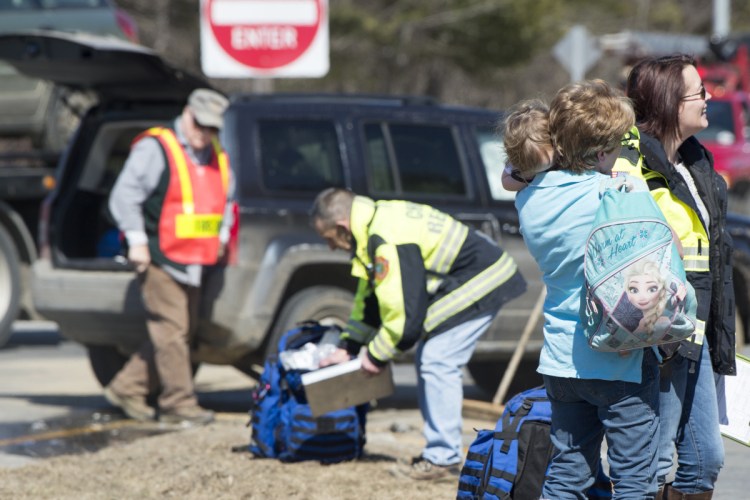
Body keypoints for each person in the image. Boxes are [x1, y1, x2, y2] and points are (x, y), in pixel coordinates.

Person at [310, 188, 526, 481]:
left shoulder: (384, 239)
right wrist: (348, 345)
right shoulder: (375, 223)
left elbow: (404, 320)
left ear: (341, 227)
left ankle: (443, 459)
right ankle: (440, 453)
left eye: (328, 239)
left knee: (437, 359)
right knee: (431, 355)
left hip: (485, 277)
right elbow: (371, 297)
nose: (331, 248)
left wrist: (375, 356)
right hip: (476, 274)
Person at [512, 79, 660, 498]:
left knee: (566, 477)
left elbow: (516, 174)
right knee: (634, 480)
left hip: (561, 360)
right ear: (601, 151)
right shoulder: (620, 192)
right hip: (619, 356)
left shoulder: (529, 198)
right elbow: (665, 254)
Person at [624, 54, 735, 499]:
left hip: (697, 333)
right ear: (670, 103)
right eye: (698, 93)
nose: (709, 99)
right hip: (657, 338)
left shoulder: (695, 162)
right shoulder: (628, 161)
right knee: (650, 463)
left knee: (705, 460)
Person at [104, 88, 235, 426]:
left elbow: (227, 200)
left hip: (196, 259)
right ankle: (179, 405)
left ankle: (126, 386)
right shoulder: (156, 147)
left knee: (176, 333)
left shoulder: (217, 154)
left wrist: (221, 236)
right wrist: (136, 241)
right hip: (160, 257)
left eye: (213, 129)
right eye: (201, 125)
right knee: (173, 332)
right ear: (188, 114)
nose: (205, 135)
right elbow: (123, 197)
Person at [500, 98, 554, 191]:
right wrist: (528, 178)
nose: (536, 171)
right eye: (531, 167)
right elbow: (505, 182)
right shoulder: (518, 162)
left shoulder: (563, 155)